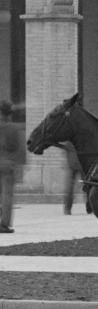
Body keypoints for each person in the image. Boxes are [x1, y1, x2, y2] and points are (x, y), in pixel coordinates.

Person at [0, 100, 26, 233]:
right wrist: (19, 164)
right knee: (7, 195)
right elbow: (20, 149)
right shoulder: (14, 128)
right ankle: (4, 223)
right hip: (8, 163)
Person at [64, 141, 84, 215]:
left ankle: (67, 209)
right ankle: (89, 207)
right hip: (81, 165)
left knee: (70, 188)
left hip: (72, 166)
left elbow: (66, 153)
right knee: (86, 186)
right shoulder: (80, 140)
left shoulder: (69, 142)